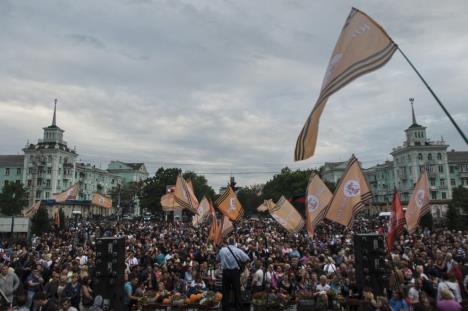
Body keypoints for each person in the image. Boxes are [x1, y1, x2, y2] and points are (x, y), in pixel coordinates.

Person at [217, 237, 250, 311]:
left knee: (226, 291)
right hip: (235, 273)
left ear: (228, 243)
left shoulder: (222, 250)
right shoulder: (238, 250)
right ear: (234, 242)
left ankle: (226, 308)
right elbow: (247, 258)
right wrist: (242, 265)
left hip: (226, 272)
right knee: (237, 291)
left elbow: (217, 259)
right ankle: (238, 308)